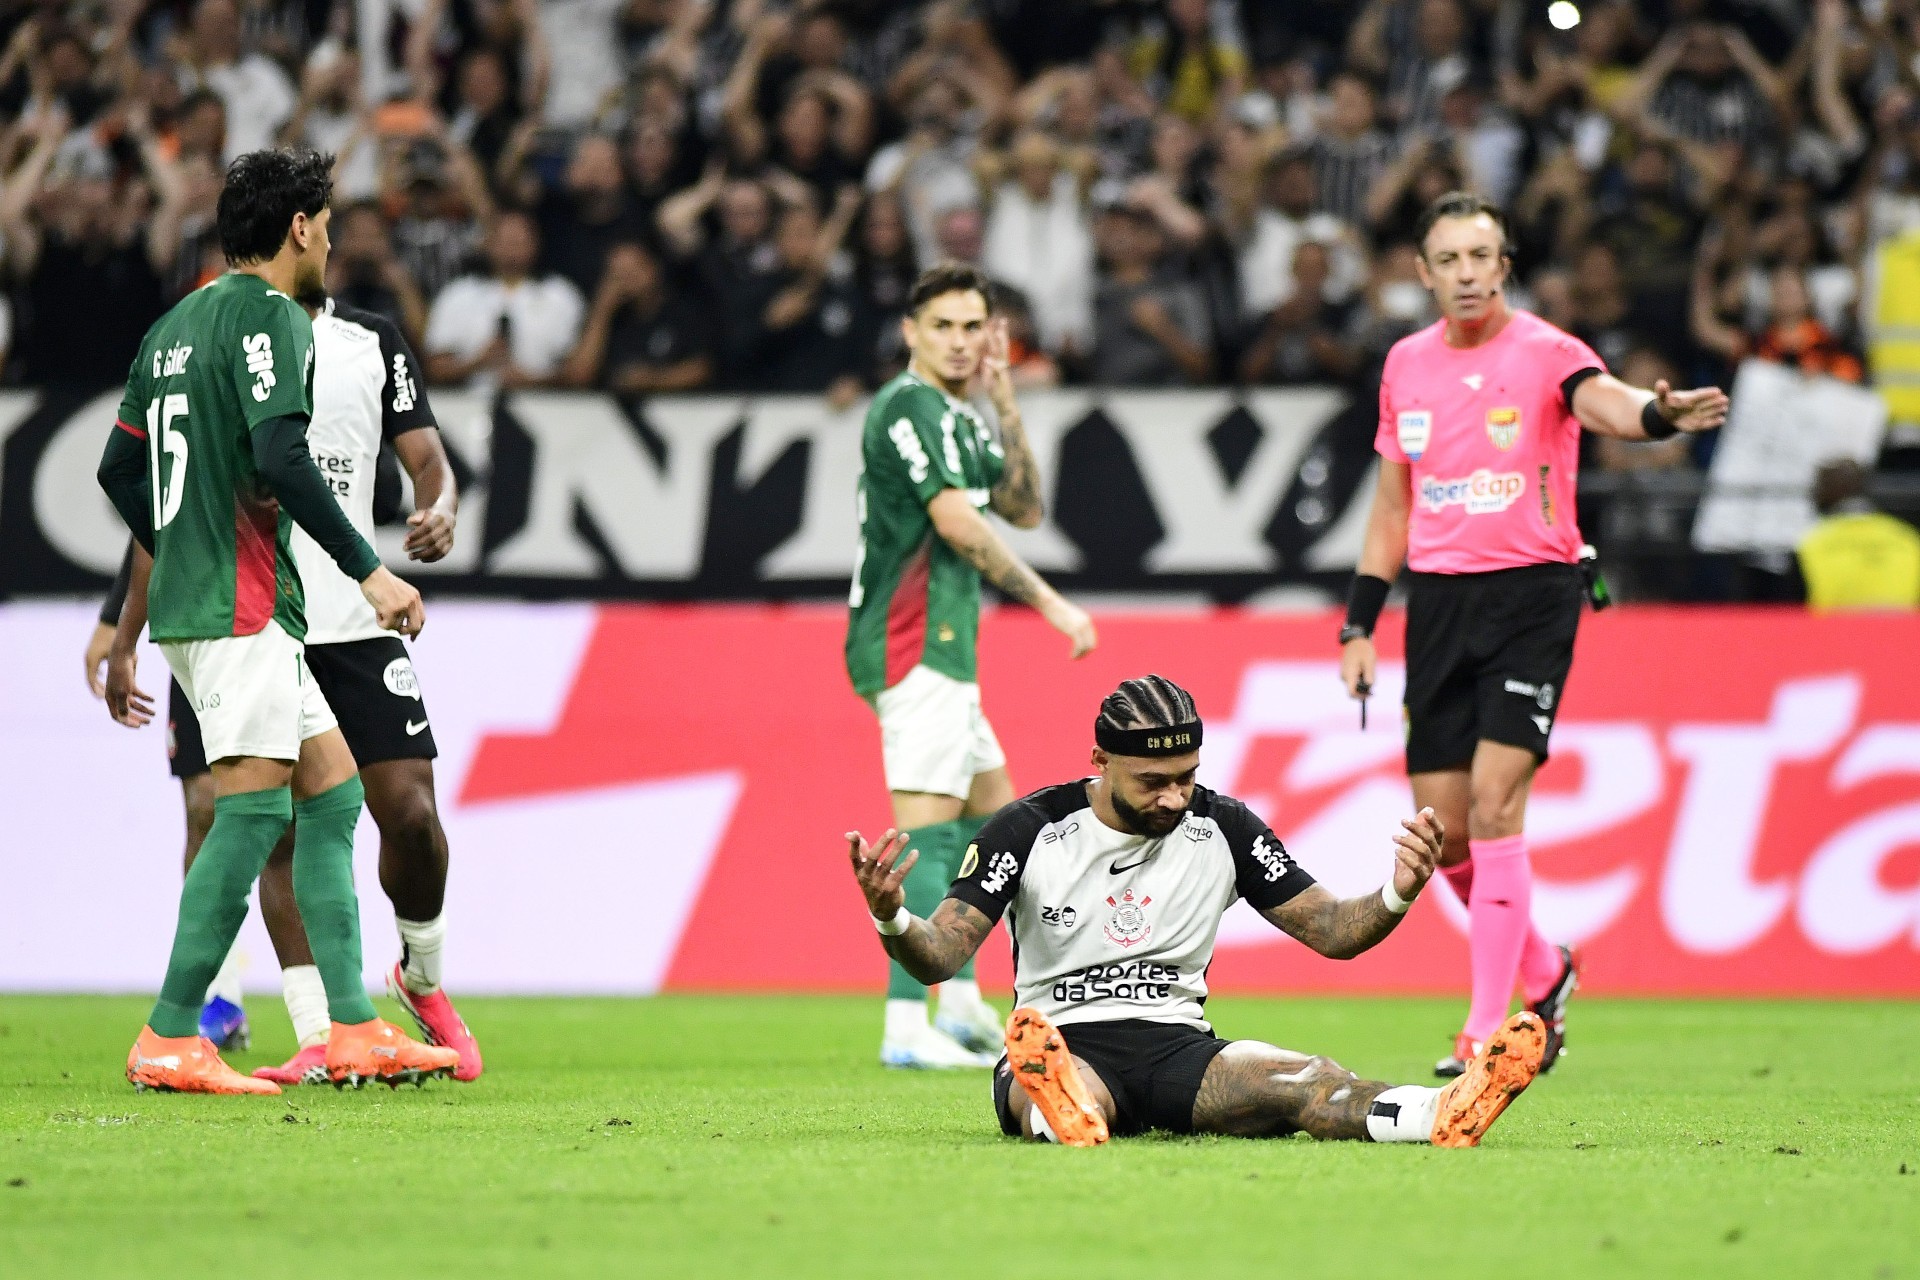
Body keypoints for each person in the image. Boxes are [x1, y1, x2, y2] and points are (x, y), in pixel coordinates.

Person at [1338, 191, 1729, 1076]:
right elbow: (1393, 507)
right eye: (1450, 260)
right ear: (1424, 273)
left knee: (1495, 803)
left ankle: (1489, 1028)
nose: (1468, 274)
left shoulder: (1549, 351)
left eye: (1482, 256)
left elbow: (1609, 405)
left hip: (1532, 597)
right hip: (1439, 603)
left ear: (1504, 265)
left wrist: (1659, 415)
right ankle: (1546, 974)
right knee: (1445, 834)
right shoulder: (1406, 364)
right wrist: (1358, 623)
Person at [95, 147, 457, 1095]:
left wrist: (178, 538)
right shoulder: (272, 318)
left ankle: (352, 1028)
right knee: (253, 814)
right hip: (241, 603)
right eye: (326, 228)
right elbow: (283, 460)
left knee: (332, 795)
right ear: (298, 229)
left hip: (216, 600)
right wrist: (371, 572)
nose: (330, 245)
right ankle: (170, 1033)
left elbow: (118, 470)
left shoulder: (173, 327)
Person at [846, 674, 1547, 1146]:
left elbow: (1333, 931)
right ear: (1100, 760)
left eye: (1187, 778)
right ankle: (1061, 1110)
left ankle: (1439, 1112)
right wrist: (892, 917)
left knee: (1306, 1078)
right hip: (1065, 1036)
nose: (1174, 799)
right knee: (1066, 1089)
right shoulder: (1029, 828)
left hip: (1178, 1048)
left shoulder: (1224, 827)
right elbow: (941, 953)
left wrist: (1399, 890)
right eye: (1152, 782)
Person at [845, 261, 1098, 1069]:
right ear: (911, 332)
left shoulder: (960, 417)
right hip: (910, 640)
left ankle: (957, 1004)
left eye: (972, 327)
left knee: (997, 826)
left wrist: (1004, 398)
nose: (958, 342)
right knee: (927, 830)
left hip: (947, 649)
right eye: (942, 326)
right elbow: (957, 522)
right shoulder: (909, 406)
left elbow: (1023, 505)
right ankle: (903, 1026)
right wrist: (1052, 604)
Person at [1795, 458, 1920, 611]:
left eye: (1818, 486)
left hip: (1831, 626)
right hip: (1901, 626)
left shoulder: (1811, 544)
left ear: (1828, 491)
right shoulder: (1908, 539)